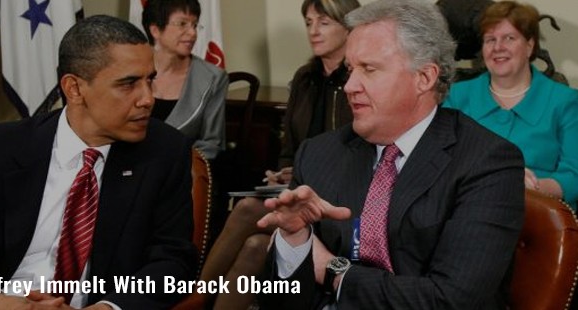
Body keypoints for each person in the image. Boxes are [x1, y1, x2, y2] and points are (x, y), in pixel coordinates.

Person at [257, 0, 525, 308]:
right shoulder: (318, 154)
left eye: (369, 70)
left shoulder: (486, 163)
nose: (350, 86)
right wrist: (293, 242)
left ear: (424, 78)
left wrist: (331, 270)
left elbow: (450, 301)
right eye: (349, 69)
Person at [0, 15, 196, 309]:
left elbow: (172, 262)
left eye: (150, 80)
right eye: (128, 84)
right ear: (74, 88)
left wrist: (108, 308)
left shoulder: (165, 152)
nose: (148, 99)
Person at [182, 1, 359, 309]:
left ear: (348, 26)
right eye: (308, 23)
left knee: (251, 224)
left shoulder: (359, 83)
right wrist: (283, 172)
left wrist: (307, 173)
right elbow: (289, 149)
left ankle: (192, 297)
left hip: (339, 202)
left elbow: (359, 155)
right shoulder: (305, 80)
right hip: (297, 194)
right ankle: (194, 297)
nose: (313, 31)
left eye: (324, 23)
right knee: (252, 226)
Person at [443, 1, 578, 210]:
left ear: (530, 45)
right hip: (465, 210)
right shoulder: (457, 96)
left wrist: (533, 188)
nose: (498, 47)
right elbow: (439, 160)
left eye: (509, 38)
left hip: (536, 218)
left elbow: (574, 176)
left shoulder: (566, 101)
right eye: (490, 40)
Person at [141, 0, 227, 160]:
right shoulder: (129, 71)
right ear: (155, 30)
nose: (193, 33)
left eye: (195, 25)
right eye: (182, 24)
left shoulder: (213, 77)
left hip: (182, 174)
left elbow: (212, 144)